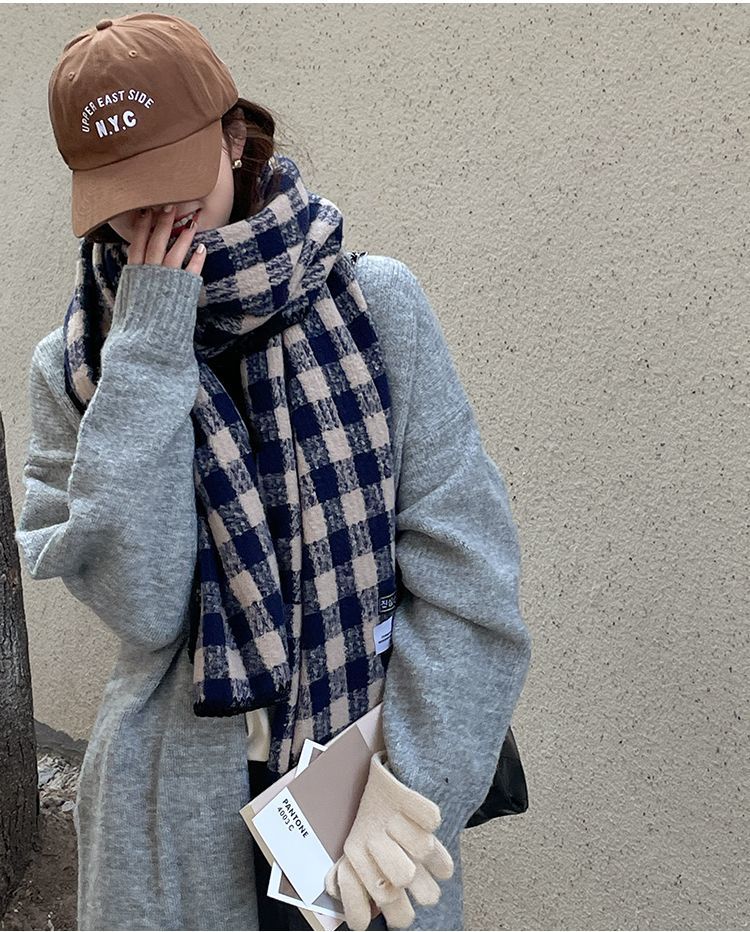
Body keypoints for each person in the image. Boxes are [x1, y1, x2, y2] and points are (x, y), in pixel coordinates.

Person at [15, 11, 532, 932]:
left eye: (173, 175)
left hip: (371, 784)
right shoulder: (80, 365)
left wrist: (410, 788)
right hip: (174, 811)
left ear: (233, 136)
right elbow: (146, 608)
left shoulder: (376, 306)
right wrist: (149, 352)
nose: (157, 215)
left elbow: (469, 577)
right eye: (125, 193)